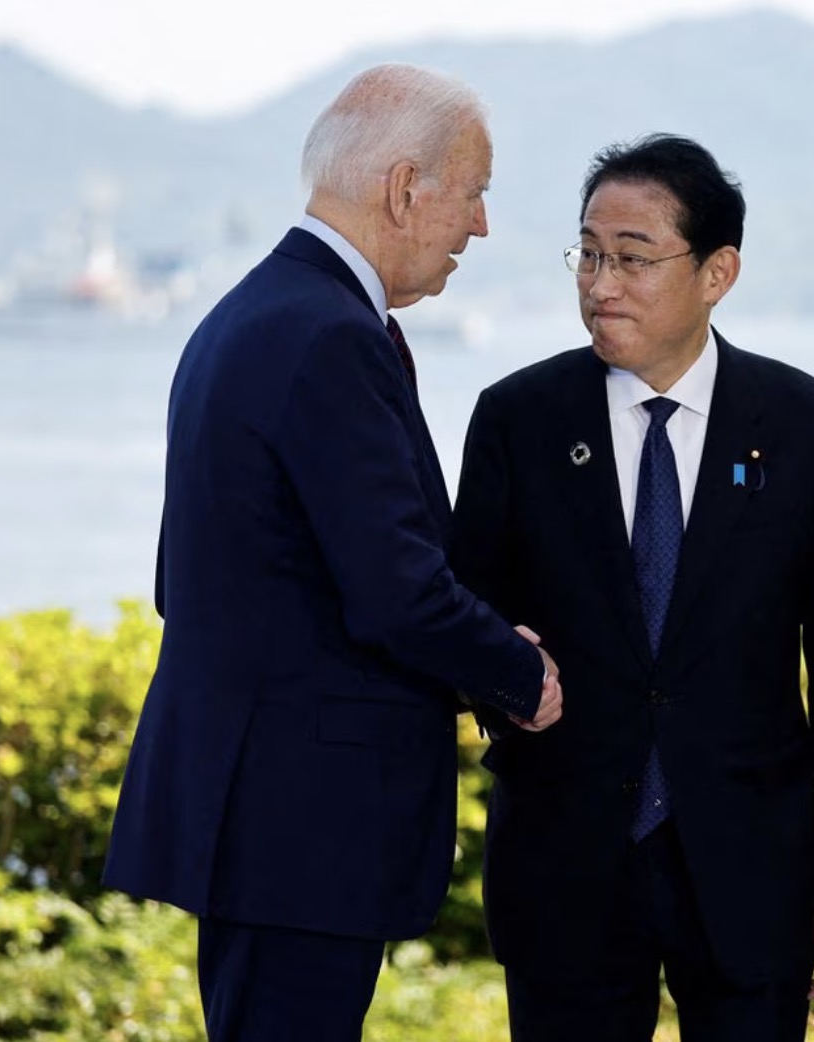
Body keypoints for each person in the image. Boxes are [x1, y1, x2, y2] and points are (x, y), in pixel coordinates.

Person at [102, 64, 562, 1042]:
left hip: (265, 811)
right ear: (406, 187)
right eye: (474, 191)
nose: (479, 226)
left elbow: (182, 578)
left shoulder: (252, 314)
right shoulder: (328, 335)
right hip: (302, 822)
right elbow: (397, 590)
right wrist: (519, 671)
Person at [449, 133, 814, 1042]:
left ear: (718, 271)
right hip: (564, 862)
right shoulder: (518, 419)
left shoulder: (806, 424)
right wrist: (502, 688)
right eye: (590, 253)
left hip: (751, 869)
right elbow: (463, 619)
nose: (601, 282)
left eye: (635, 258)